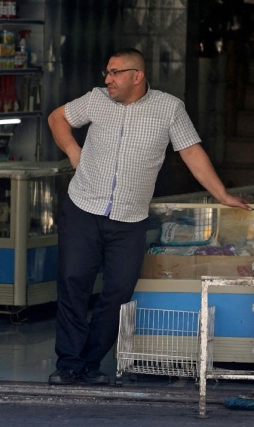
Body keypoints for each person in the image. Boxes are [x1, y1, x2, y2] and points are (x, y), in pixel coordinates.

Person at [46, 47, 250, 386]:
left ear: (136, 76)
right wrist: (72, 149)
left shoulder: (169, 108)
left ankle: (90, 362)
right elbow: (57, 118)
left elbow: (191, 152)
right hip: (83, 208)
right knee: (72, 283)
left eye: (114, 73)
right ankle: (67, 363)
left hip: (130, 219)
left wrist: (222, 195)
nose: (107, 79)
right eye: (106, 73)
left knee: (119, 291)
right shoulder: (96, 99)